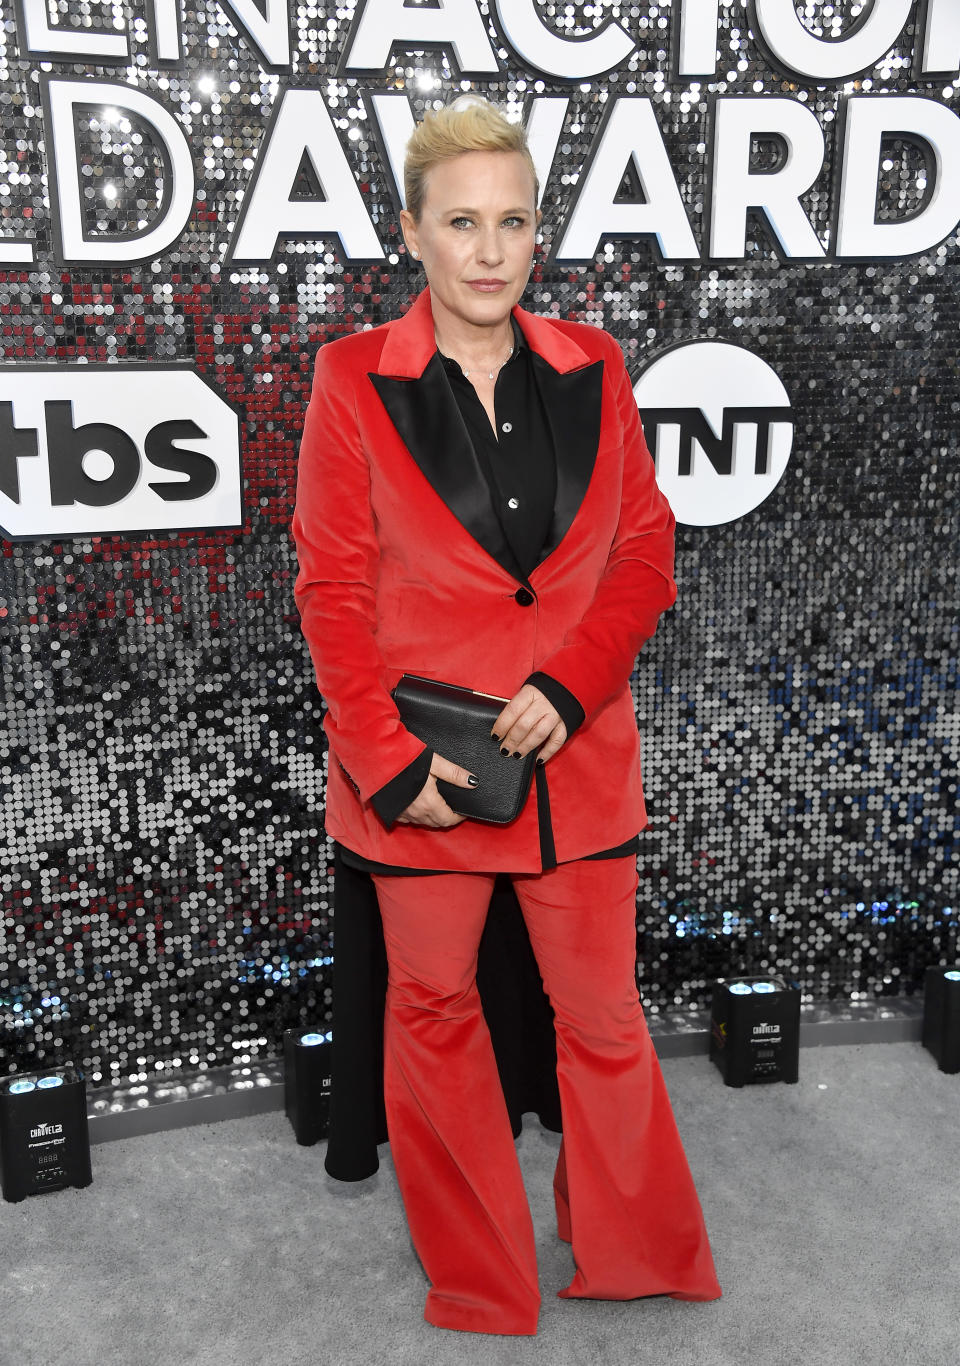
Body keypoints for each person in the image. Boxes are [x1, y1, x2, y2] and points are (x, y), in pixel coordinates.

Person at [292, 95, 721, 1336]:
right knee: (432, 1017)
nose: (489, 250)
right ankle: (481, 1280)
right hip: (425, 773)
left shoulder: (594, 360)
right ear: (413, 234)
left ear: (539, 237)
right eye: (462, 222)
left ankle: (635, 1250)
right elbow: (330, 592)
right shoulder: (351, 380)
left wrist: (569, 686)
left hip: (577, 762)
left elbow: (643, 554)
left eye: (514, 222)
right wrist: (383, 761)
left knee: (602, 1016)